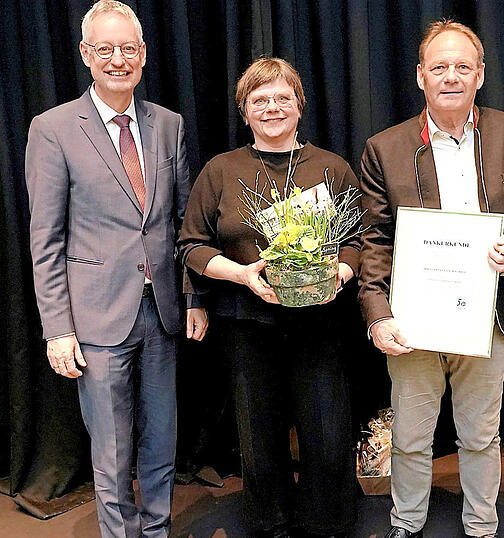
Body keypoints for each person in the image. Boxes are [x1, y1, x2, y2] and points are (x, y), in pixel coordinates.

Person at [357, 20, 504, 538]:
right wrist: (378, 315)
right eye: (439, 67)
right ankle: (407, 523)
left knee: (482, 435)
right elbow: (372, 240)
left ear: (481, 75)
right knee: (412, 438)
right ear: (420, 76)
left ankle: (481, 526)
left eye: (463, 66)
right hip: (414, 323)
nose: (451, 76)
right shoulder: (386, 148)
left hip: (489, 317)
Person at [25, 1, 206, 536]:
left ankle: (155, 530)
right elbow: (46, 239)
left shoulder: (168, 125)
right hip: (97, 319)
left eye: (128, 48)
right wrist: (57, 328)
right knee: (111, 450)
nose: (118, 59)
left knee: (160, 443)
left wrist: (194, 298)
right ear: (86, 55)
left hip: (165, 312)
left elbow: (184, 224)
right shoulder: (54, 129)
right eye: (105, 49)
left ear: (144, 54)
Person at [177, 57, 359, 538]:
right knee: (258, 435)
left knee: (327, 432)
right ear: (245, 110)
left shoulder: (331, 167)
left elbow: (362, 240)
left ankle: (328, 524)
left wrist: (339, 272)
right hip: (247, 325)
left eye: (283, 98)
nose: (272, 108)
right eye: (260, 100)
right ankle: (271, 524)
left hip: (320, 323)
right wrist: (239, 274)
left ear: (300, 105)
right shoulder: (221, 170)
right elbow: (191, 246)